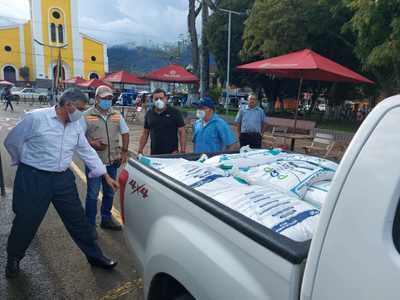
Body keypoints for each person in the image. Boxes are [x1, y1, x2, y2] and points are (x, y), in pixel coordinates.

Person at [4, 88, 119, 279]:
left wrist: (105, 175)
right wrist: (21, 161)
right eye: (81, 108)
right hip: (34, 177)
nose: (83, 112)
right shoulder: (35, 118)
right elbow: (13, 142)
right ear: (68, 105)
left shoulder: (76, 124)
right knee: (26, 220)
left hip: (62, 179)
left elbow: (86, 151)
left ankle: (95, 256)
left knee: (78, 221)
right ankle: (14, 258)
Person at [82, 86, 129, 232]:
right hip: (94, 163)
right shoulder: (86, 115)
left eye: (110, 98)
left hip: (112, 161)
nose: (108, 101)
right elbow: (78, 138)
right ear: (96, 99)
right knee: (93, 193)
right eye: (104, 98)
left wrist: (124, 152)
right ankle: (89, 224)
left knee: (109, 192)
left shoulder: (116, 114)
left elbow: (125, 132)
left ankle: (106, 219)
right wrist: (91, 144)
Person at [138, 88, 186, 155]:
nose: (159, 101)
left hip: (172, 153)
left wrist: (183, 151)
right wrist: (140, 150)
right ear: (153, 100)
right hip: (155, 153)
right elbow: (145, 133)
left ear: (166, 98)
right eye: (156, 99)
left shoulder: (175, 112)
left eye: (161, 98)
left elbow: (182, 132)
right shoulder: (149, 113)